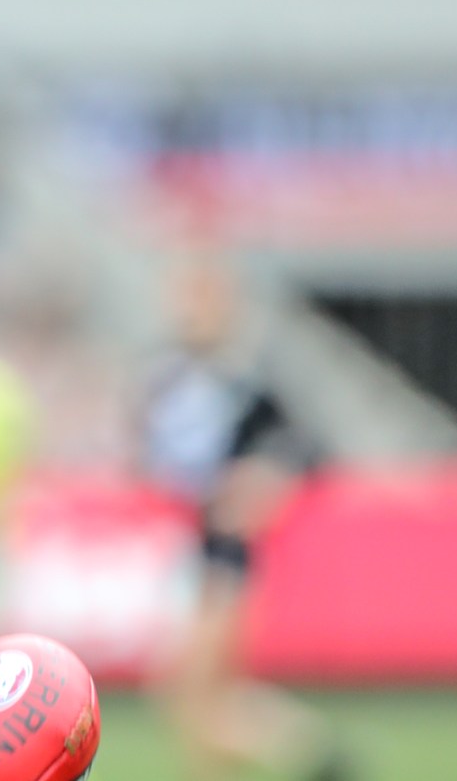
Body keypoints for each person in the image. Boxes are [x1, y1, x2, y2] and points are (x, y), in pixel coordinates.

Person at [139, 258, 348, 781]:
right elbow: (156, 456)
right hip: (191, 544)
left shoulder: (245, 379)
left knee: (194, 689)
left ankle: (312, 752)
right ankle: (310, 751)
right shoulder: (169, 377)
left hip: (225, 551)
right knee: (196, 695)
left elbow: (304, 446)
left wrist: (266, 480)